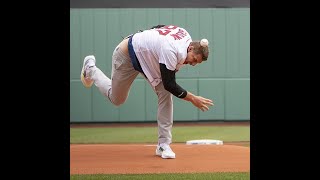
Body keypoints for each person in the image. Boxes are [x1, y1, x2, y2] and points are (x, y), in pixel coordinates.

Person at [80, 25, 214, 159]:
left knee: (165, 95)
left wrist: (148, 41)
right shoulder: (172, 50)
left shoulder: (184, 35)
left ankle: (163, 144)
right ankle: (90, 69)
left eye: (197, 62)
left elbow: (160, 27)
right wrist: (192, 98)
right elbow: (169, 84)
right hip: (127, 54)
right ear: (190, 48)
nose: (193, 63)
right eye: (194, 59)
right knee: (117, 99)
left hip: (149, 60)